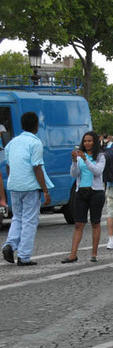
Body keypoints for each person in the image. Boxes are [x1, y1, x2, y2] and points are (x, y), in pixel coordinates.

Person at [2, 112, 53, 266]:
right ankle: (24, 256)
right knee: (30, 221)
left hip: (14, 186)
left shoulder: (12, 143)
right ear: (36, 125)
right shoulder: (35, 143)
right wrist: (45, 190)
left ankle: (10, 244)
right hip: (30, 186)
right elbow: (37, 167)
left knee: (17, 217)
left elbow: (8, 166)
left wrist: (12, 181)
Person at [62, 131, 106, 263]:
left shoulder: (100, 156)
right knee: (78, 223)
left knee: (95, 222)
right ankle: (73, 254)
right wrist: (75, 161)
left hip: (96, 192)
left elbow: (97, 171)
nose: (87, 143)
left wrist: (86, 159)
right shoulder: (80, 156)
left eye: (89, 141)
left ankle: (94, 253)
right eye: (85, 141)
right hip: (81, 191)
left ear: (94, 142)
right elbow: (74, 174)